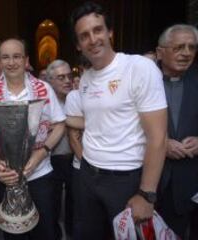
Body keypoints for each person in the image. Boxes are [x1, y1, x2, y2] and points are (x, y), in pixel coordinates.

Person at [67, 2, 168, 239]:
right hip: (87, 175)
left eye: (97, 30)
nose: (92, 39)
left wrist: (146, 194)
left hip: (124, 179)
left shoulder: (139, 67)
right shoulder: (85, 79)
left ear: (109, 32)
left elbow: (158, 137)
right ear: (78, 45)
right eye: (84, 36)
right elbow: (95, 122)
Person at [0, 38, 66, 240]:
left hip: (39, 174)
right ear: (0, 61)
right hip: (5, 177)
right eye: (6, 57)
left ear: (26, 60)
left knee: (45, 231)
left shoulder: (44, 89)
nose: (11, 62)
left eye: (16, 56)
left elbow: (60, 124)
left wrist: (42, 153)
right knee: (13, 235)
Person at [156, 24, 198, 239]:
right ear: (160, 52)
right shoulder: (144, 83)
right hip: (150, 181)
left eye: (191, 47)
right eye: (179, 47)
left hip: (191, 182)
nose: (186, 53)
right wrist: (161, 144)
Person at [45, 59, 73, 239]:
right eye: (61, 77)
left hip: (74, 159)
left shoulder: (78, 99)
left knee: (75, 205)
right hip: (51, 160)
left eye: (70, 76)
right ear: (50, 81)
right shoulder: (44, 104)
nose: (67, 80)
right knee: (51, 206)